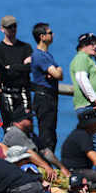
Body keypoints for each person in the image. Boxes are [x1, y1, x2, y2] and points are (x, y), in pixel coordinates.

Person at [69, 32, 96, 155]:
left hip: (94, 106)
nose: (95, 47)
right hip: (90, 106)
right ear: (84, 45)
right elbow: (81, 78)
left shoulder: (89, 60)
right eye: (92, 44)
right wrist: (93, 98)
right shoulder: (81, 58)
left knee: (95, 144)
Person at [1, 107, 67, 179]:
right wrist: (47, 167)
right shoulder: (14, 133)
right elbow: (30, 154)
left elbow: (45, 151)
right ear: (19, 121)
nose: (32, 121)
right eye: (29, 119)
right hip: (18, 172)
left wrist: (62, 168)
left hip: (33, 168)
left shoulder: (29, 132)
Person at [0, 15, 32, 126]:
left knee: (27, 124)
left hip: (23, 91)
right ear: (2, 29)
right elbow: (3, 72)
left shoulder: (26, 47)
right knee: (9, 125)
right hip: (6, 92)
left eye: (14, 26)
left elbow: (29, 68)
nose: (13, 29)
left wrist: (11, 67)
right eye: (9, 27)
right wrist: (21, 66)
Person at [30, 22, 62, 152]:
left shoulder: (47, 55)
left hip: (50, 97)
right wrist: (58, 70)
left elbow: (56, 74)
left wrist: (56, 72)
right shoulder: (40, 56)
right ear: (42, 37)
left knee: (51, 133)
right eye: (50, 33)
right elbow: (57, 74)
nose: (53, 35)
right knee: (46, 134)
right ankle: (46, 167)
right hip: (44, 98)